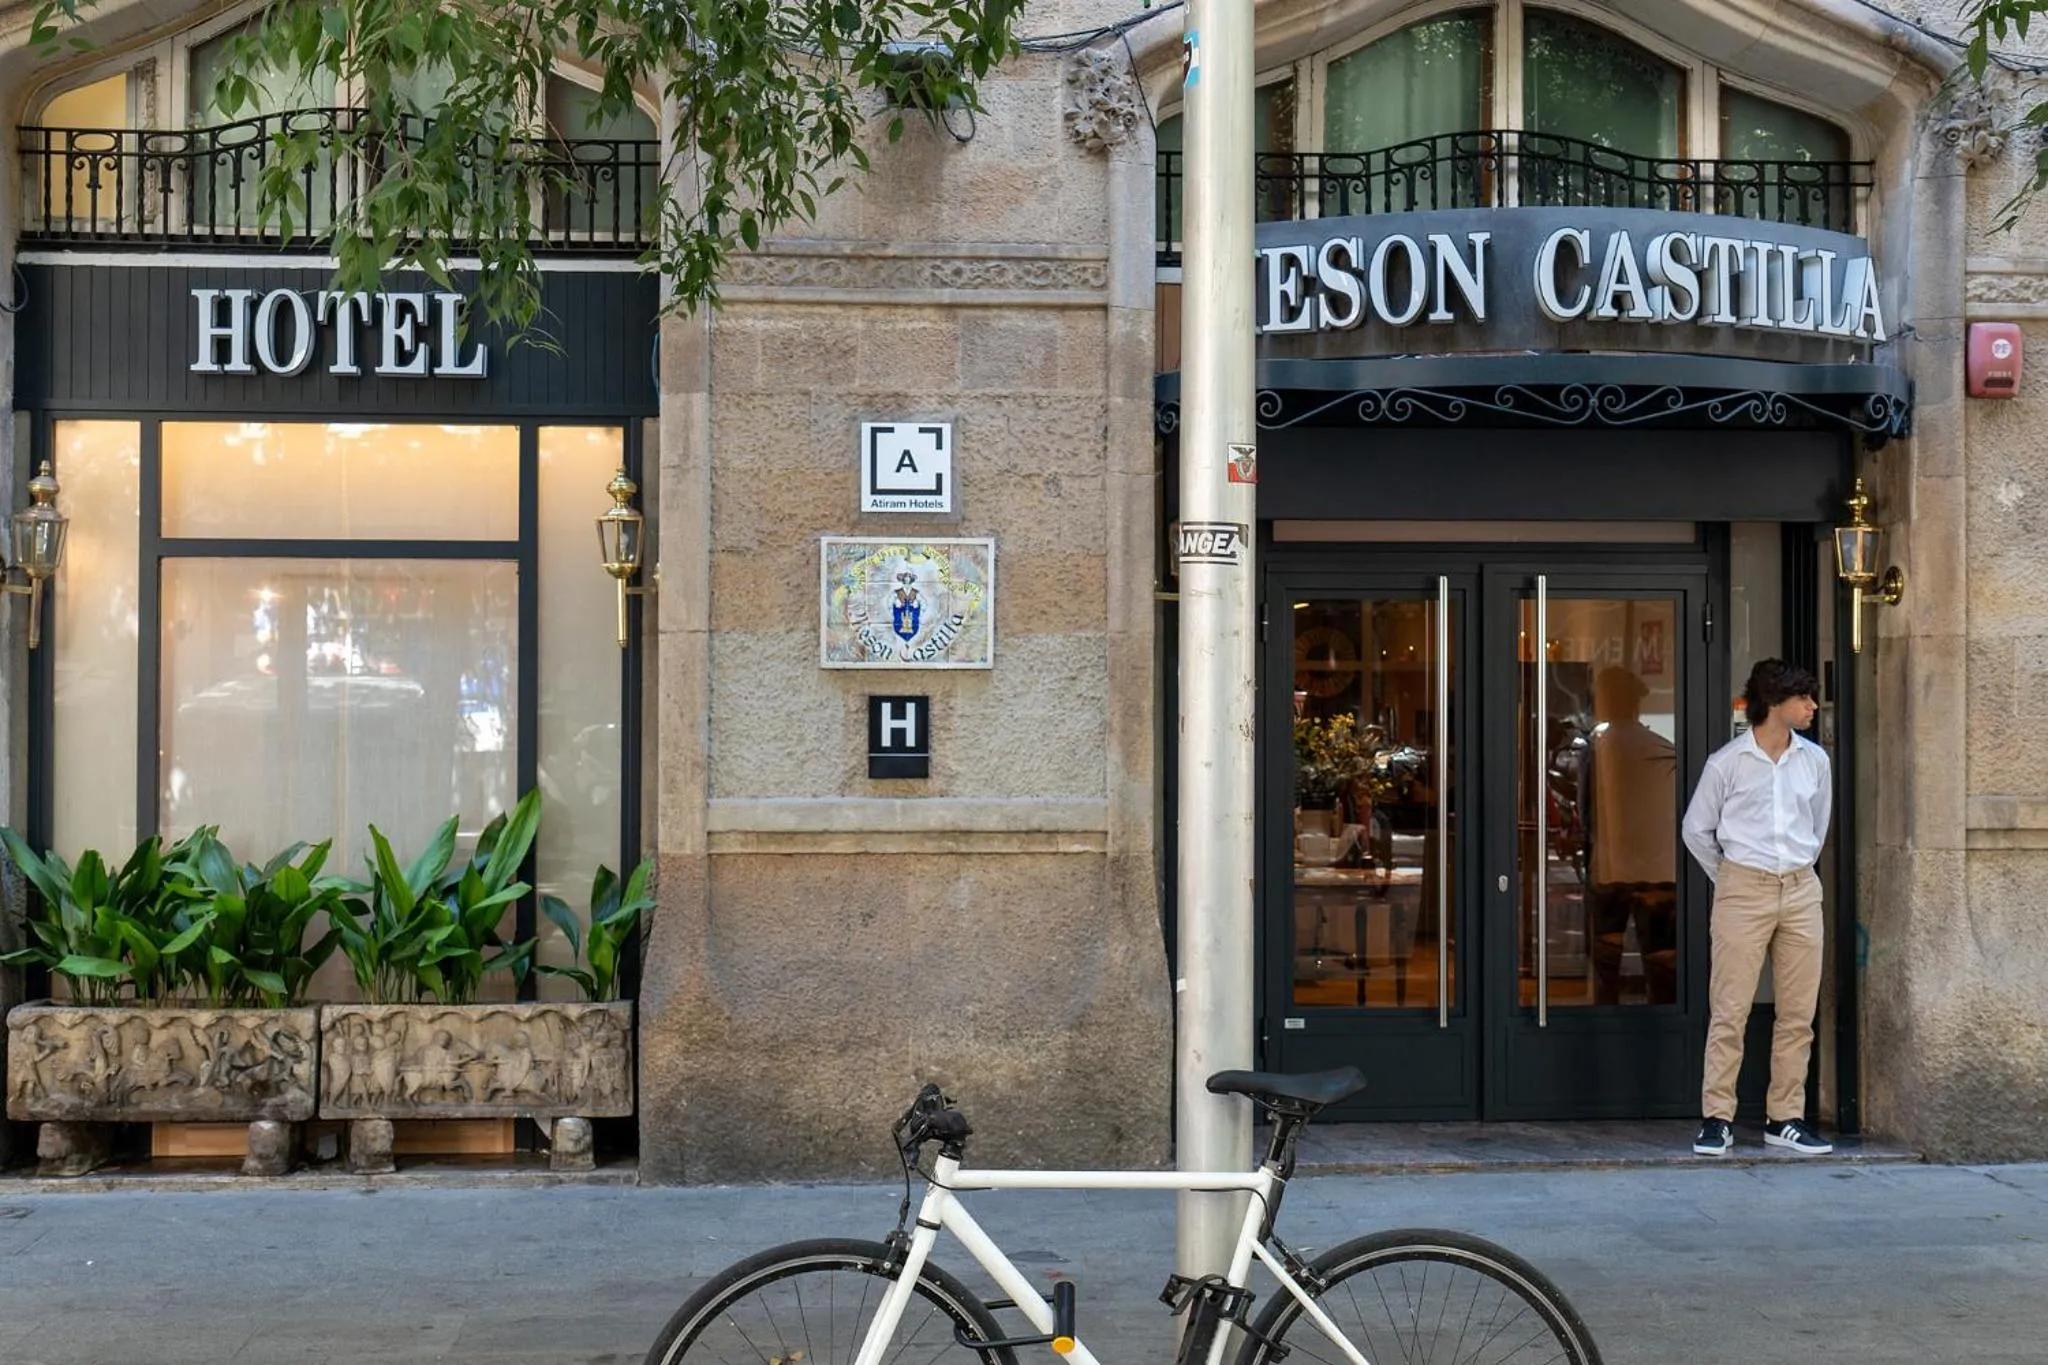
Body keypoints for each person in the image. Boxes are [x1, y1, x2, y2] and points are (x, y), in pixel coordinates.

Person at [1681, 659, 1834, 1156]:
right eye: (1804, 698)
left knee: (1798, 1012)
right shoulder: (1727, 762)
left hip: (1800, 889)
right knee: (1730, 1008)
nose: (1813, 707)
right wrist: (1730, 878)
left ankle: (1785, 1116)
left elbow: (1816, 827)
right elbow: (1696, 830)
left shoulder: (1814, 761)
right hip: (1743, 887)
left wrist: (1796, 872)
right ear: (1774, 702)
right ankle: (1717, 1118)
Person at [1583, 667, 1679, 1005]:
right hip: (1660, 873)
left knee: (1605, 968)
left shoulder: (1599, 749)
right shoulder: (1663, 748)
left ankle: (1604, 1036)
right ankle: (1663, 1036)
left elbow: (1587, 813)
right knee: (1663, 968)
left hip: (1612, 871)